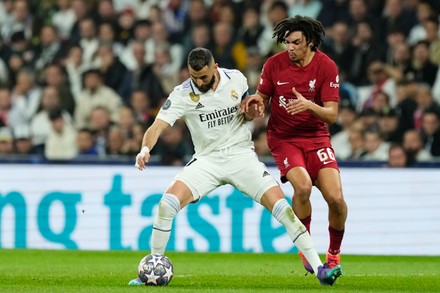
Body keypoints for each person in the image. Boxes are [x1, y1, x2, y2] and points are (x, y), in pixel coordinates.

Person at [129, 47, 342, 286]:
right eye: (193, 77)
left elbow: (249, 111)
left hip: (241, 157)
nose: (198, 82)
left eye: (203, 77)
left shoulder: (237, 79)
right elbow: (156, 127)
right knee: (167, 204)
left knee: (282, 207)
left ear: (215, 67)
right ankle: (152, 268)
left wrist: (253, 110)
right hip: (207, 160)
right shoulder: (182, 94)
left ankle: (319, 269)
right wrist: (145, 149)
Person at [241, 16, 348, 274]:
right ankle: (306, 245)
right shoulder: (274, 65)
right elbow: (263, 97)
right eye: (287, 42)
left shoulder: (326, 66)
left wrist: (310, 105)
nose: (290, 47)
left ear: (310, 42)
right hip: (284, 138)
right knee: (303, 186)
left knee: (336, 199)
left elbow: (332, 115)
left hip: (316, 137)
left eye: (296, 42)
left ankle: (333, 253)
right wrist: (255, 102)